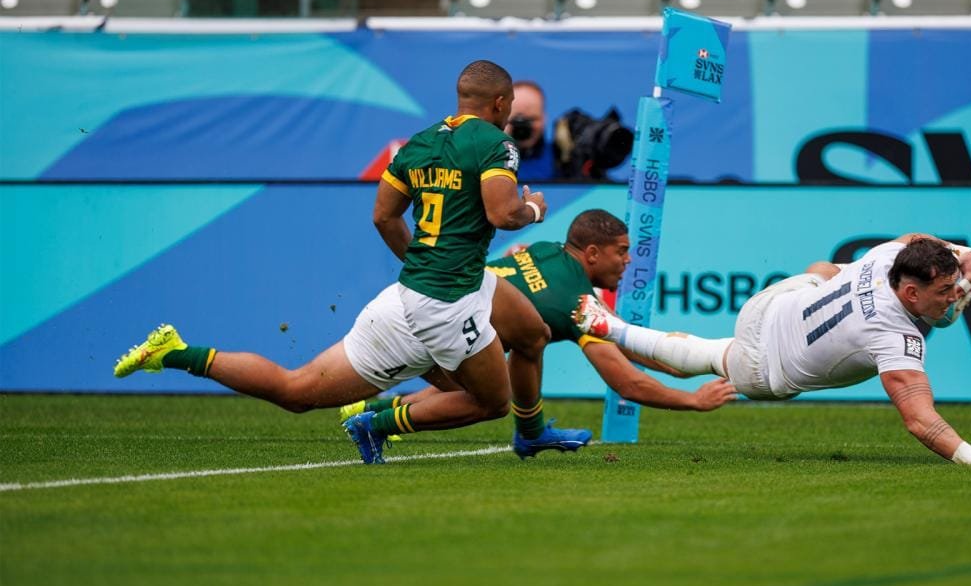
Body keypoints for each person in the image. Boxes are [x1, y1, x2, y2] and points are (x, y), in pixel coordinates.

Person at [113, 60, 588, 464]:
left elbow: (383, 217)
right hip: (446, 304)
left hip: (421, 290)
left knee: (531, 334)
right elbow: (503, 214)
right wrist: (536, 209)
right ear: (502, 105)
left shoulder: (418, 145)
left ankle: (175, 352)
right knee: (489, 403)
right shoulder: (496, 143)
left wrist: (425, 263)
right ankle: (376, 423)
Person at [574, 234, 971, 467]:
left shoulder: (887, 256)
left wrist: (960, 255)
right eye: (946, 289)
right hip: (767, 368)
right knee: (710, 359)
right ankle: (610, 328)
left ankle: (613, 329)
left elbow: (914, 239)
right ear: (910, 294)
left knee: (824, 270)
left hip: (774, 304)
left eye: (956, 289)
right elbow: (919, 419)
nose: (955, 294)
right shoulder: (896, 338)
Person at [340, 210, 737, 441]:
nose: (628, 261)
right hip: (436, 327)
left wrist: (693, 363)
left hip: (412, 306)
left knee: (484, 375)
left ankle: (366, 408)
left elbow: (629, 344)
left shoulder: (546, 251)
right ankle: (374, 423)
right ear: (593, 254)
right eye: (622, 252)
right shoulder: (578, 304)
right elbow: (627, 382)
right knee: (490, 399)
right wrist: (692, 400)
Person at [505, 80, 555, 181]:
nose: (522, 127)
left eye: (532, 119)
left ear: (544, 118)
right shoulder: (483, 160)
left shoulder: (562, 159)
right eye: (515, 120)